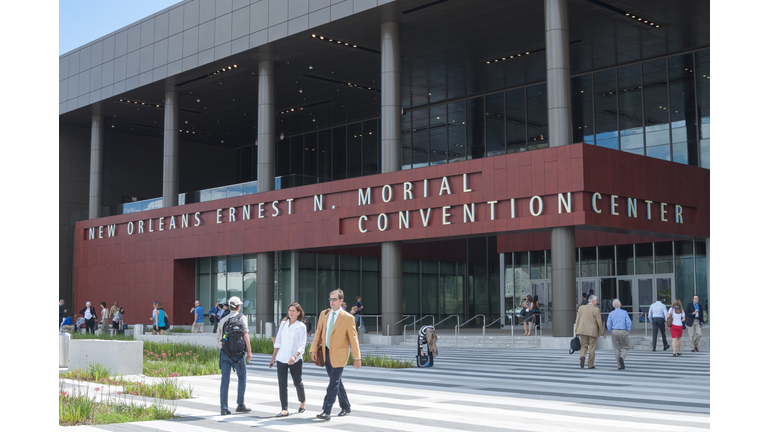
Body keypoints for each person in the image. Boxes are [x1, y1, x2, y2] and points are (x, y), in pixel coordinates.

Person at [310, 289, 362, 421]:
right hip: (326, 353)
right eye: (330, 299)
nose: (331, 302)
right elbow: (318, 332)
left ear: (341, 301)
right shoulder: (324, 314)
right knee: (336, 381)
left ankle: (326, 410)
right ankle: (346, 406)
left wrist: (357, 357)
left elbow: (353, 339)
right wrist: (314, 350)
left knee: (333, 383)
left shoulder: (348, 318)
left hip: (339, 355)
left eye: (334, 299)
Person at [269, 302, 308, 417]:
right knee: (282, 384)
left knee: (297, 382)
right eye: (289, 310)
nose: (291, 313)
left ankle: (302, 401)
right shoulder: (283, 325)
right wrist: (273, 359)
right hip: (281, 358)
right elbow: (278, 342)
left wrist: (295, 356)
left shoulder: (301, 326)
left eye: (293, 311)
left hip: (295, 359)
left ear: (298, 313)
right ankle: (284, 409)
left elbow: (302, 345)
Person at [216, 296, 252, 416]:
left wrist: (223, 349)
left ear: (229, 306)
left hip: (225, 353)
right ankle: (240, 404)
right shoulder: (242, 318)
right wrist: (249, 352)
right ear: (239, 306)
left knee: (225, 381)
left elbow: (219, 338)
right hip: (238, 354)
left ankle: (223, 408)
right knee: (242, 378)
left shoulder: (223, 319)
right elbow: (245, 335)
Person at [574, 295, 606, 369]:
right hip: (592, 332)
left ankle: (582, 356)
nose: (597, 302)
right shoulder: (596, 310)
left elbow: (577, 320)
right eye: (596, 301)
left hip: (583, 330)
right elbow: (599, 322)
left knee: (583, 345)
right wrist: (602, 332)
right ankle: (590, 364)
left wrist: (577, 330)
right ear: (593, 301)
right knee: (592, 348)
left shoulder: (581, 308)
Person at [606, 299, 631, 370]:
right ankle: (622, 358)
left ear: (613, 306)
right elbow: (628, 322)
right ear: (620, 305)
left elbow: (608, 324)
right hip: (623, 331)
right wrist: (628, 329)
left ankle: (619, 365)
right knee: (625, 347)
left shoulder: (611, 314)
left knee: (616, 349)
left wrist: (610, 330)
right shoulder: (624, 312)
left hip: (614, 331)